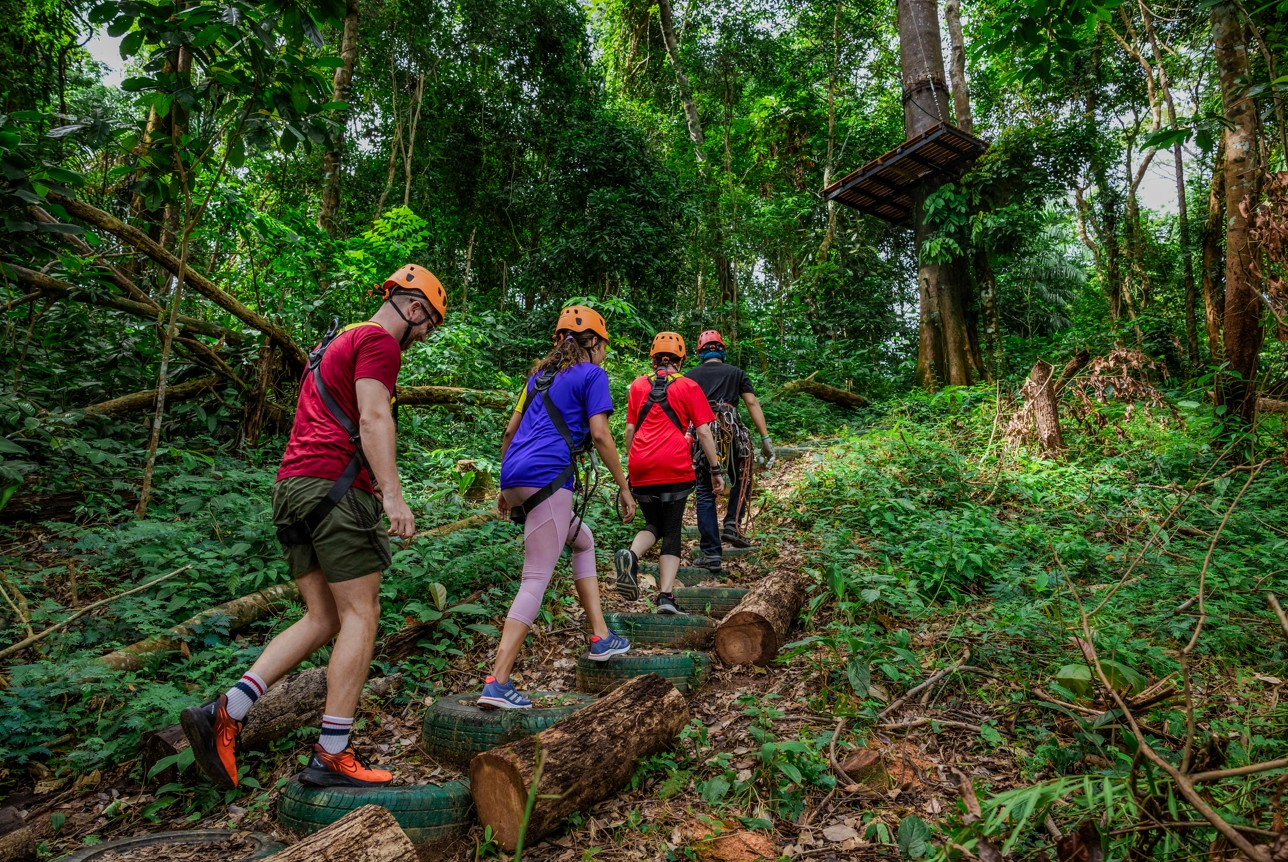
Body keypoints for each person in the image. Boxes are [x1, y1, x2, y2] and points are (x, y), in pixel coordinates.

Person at [181, 264, 446, 789]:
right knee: (362, 615)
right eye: (427, 326)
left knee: (322, 618)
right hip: (337, 490)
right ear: (414, 308)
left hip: (292, 488)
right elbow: (374, 417)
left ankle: (225, 711)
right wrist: (393, 495)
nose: (422, 337)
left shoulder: (335, 340)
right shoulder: (379, 343)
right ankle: (331, 752)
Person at [482, 305, 637, 709]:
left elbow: (511, 430)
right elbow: (601, 436)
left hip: (516, 472)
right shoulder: (593, 374)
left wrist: (505, 484)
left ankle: (601, 636)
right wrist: (624, 487)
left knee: (582, 540)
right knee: (535, 577)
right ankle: (497, 681)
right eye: (604, 346)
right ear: (597, 344)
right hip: (550, 476)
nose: (604, 354)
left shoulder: (536, 378)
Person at [613, 332, 724, 614]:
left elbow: (629, 430)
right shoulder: (688, 386)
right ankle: (665, 597)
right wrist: (715, 469)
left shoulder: (638, 386)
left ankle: (632, 554)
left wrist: (632, 466)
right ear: (682, 358)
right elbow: (703, 432)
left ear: (653, 359)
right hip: (674, 464)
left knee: (654, 524)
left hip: (641, 464)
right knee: (672, 530)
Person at [684, 329, 773, 574]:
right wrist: (765, 438)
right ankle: (732, 524)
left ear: (700, 353)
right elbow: (752, 403)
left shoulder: (689, 376)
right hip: (733, 432)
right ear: (722, 350)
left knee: (704, 490)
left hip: (703, 435)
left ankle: (711, 553)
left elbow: (682, 411)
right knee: (742, 476)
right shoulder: (736, 373)